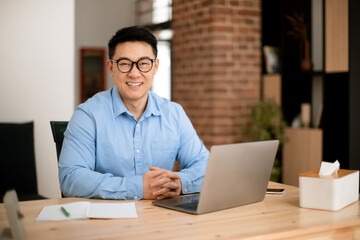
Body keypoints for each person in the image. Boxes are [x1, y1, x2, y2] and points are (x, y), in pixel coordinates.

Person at [58, 26, 209, 200]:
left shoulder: (174, 114)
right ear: (111, 68)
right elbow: (71, 178)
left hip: (163, 218)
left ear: (155, 67)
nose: (134, 73)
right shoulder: (87, 115)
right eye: (124, 64)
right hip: (106, 220)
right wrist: (137, 187)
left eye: (143, 63)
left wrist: (180, 183)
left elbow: (205, 165)